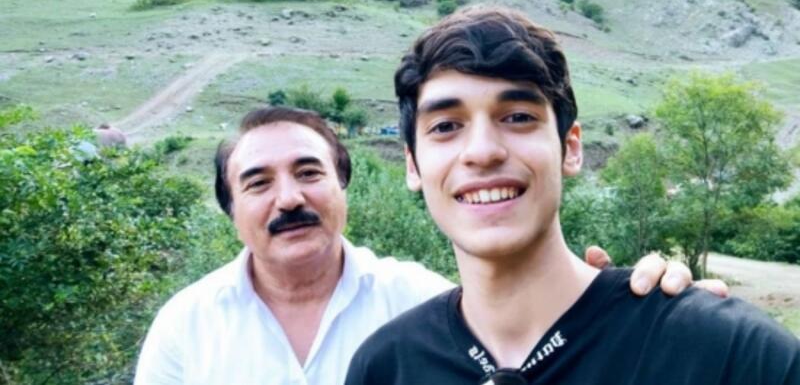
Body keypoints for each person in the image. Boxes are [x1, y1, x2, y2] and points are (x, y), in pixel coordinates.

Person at [344, 6, 800, 385]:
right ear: (412, 165)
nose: (482, 151)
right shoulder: (386, 367)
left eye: (518, 117)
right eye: (446, 126)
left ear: (571, 148)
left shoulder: (726, 352)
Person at [135, 108, 722, 384]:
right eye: (258, 183)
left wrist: (658, 315)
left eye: (310, 173)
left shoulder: (420, 301)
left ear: (342, 188)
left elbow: (536, 342)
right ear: (231, 210)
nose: (289, 198)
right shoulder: (185, 326)